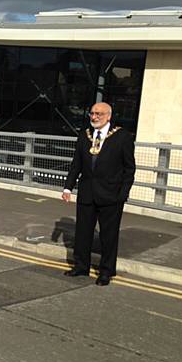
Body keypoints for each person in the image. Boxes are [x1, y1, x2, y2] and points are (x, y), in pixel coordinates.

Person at [62, 102, 136, 286]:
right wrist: (67, 188)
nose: (94, 117)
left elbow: (129, 168)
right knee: (83, 232)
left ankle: (106, 271)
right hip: (87, 192)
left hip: (111, 195)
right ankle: (81, 266)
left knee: (108, 235)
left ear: (109, 116)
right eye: (92, 114)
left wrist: (123, 194)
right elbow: (76, 164)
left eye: (99, 114)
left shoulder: (122, 136)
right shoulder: (84, 134)